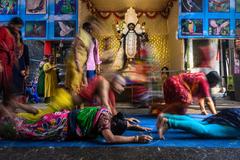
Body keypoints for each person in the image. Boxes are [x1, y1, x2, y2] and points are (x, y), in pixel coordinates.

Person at [2, 104, 152, 143]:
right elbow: (111, 139)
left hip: (60, 118)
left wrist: (133, 126)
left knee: (30, 125)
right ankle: (4, 123)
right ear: (112, 126)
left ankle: (6, 117)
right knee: (27, 132)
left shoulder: (107, 113)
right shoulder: (105, 122)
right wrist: (136, 138)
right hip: (59, 125)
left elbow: (118, 122)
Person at [157, 108, 240, 139]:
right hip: (236, 120)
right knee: (205, 130)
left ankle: (166, 116)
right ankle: (169, 123)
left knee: (201, 123)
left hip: (233, 114)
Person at [0, 17, 23, 106]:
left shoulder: (14, 35)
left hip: (9, 64)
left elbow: (17, 51)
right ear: (12, 25)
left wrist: (17, 38)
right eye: (18, 27)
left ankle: (6, 113)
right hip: (2, 61)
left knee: (8, 89)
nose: (18, 29)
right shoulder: (3, 30)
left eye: (20, 28)